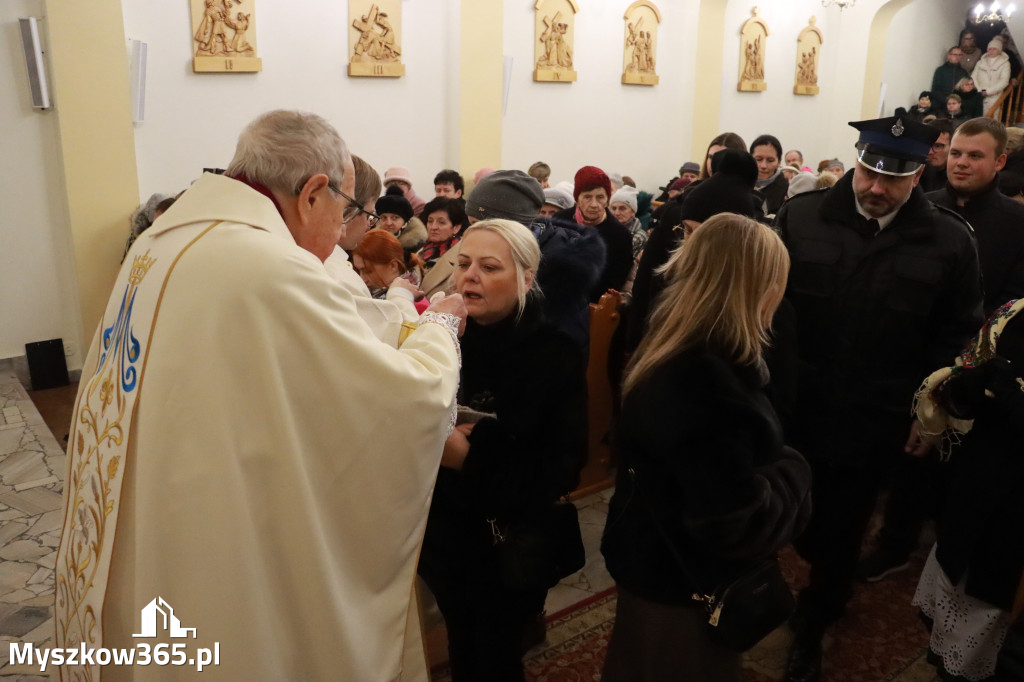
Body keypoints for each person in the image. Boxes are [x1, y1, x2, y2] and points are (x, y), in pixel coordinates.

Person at [54, 109, 467, 681]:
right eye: (346, 211)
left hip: (149, 500)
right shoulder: (269, 265)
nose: (341, 230)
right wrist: (441, 328)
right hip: (218, 530)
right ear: (314, 192)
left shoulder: (162, 239)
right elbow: (405, 396)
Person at [777, 110, 984, 682]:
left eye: (893, 178)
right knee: (786, 517)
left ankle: (816, 621)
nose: (875, 187)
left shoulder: (947, 239)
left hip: (875, 416)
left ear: (919, 174)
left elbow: (958, 336)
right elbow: (766, 313)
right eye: (869, 171)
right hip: (797, 408)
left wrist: (932, 409)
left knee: (842, 529)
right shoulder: (801, 217)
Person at [601, 213, 812, 682]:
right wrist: (792, 474)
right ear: (756, 285)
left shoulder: (676, 342)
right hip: (682, 581)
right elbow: (733, 522)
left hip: (653, 557)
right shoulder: (706, 382)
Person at [417, 218, 587, 682]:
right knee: (461, 647)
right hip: (443, 539)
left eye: (489, 267)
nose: (468, 276)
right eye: (463, 263)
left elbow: (561, 467)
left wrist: (469, 456)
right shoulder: (440, 339)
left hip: (506, 542)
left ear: (525, 279)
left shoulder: (552, 352)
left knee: (494, 657)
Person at [910, 299, 1024, 682]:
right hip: (977, 491)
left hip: (1015, 530)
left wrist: (1011, 397)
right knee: (953, 622)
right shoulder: (1014, 312)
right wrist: (961, 393)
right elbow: (964, 377)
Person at [324, 155, 421, 344]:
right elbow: (398, 345)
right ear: (347, 211)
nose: (370, 225)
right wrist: (400, 295)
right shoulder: (339, 276)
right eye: (370, 215)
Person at [552, 165, 634, 302]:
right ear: (577, 199)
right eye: (587, 197)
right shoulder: (559, 221)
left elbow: (615, 282)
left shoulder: (620, 235)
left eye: (600, 197)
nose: (594, 204)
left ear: (608, 199)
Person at [352, 229, 428, 313]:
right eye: (358, 271)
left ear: (393, 266)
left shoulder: (418, 305)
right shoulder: (362, 295)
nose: (362, 278)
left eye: (368, 271)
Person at [417, 196, 469, 271]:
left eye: (441, 222)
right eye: (430, 221)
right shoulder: (421, 250)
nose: (433, 227)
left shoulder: (460, 257)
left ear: (456, 228)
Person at [376, 184, 427, 252]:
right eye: (383, 217)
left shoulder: (418, 248)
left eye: (395, 218)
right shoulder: (373, 243)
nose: (388, 223)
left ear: (405, 221)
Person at [751, 134, 789, 217]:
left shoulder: (788, 190)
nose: (763, 166)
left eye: (770, 160)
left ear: (778, 162)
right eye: (758, 159)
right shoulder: (740, 186)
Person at [973, 37, 1011, 116]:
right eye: (990, 49)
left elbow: (1004, 81)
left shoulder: (1005, 64)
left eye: (994, 49)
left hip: (995, 97)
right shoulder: (980, 62)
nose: (991, 51)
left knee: (992, 121)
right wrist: (980, 90)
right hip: (979, 96)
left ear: (999, 50)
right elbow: (973, 77)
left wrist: (989, 91)